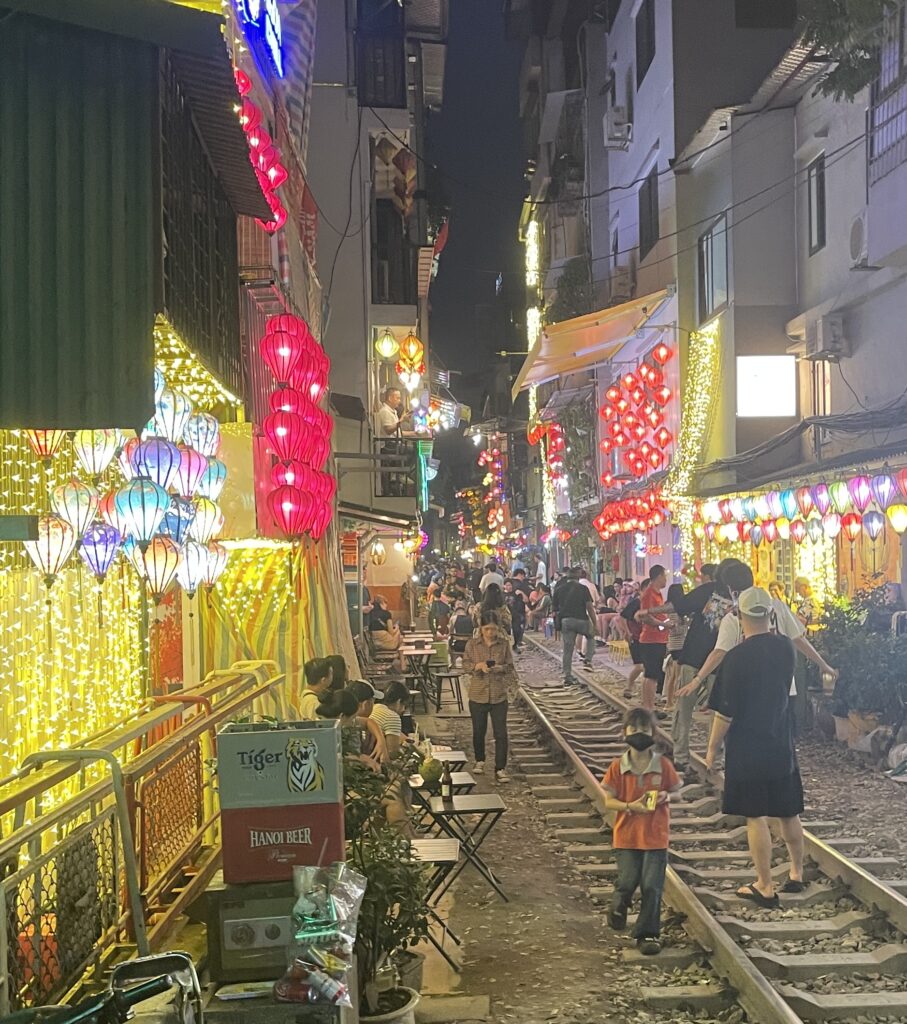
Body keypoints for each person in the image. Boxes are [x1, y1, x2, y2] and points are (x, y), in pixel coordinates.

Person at [705, 588, 806, 908]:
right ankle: (796, 874)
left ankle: (764, 885)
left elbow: (725, 713)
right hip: (781, 741)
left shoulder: (736, 658)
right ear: (770, 615)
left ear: (739, 615)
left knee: (756, 816)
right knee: (788, 811)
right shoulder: (786, 649)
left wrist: (711, 750)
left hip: (747, 746)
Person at [680, 560, 837, 738]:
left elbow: (719, 652)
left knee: (749, 739)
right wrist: (823, 665)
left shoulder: (732, 616)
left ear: (731, 589)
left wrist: (697, 679)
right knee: (781, 737)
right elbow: (798, 640)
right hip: (782, 687)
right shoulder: (778, 606)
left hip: (748, 688)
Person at [601, 708, 683, 955]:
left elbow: (678, 791)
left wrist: (667, 795)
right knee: (627, 880)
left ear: (653, 733)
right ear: (625, 732)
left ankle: (648, 933)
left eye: (644, 730)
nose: (639, 734)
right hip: (626, 836)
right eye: (634, 729)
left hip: (656, 837)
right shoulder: (618, 767)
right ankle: (618, 905)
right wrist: (630, 806)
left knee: (652, 885)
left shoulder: (663, 766)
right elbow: (608, 800)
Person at [645, 563, 723, 772]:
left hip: (694, 658)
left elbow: (678, 606)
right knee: (718, 711)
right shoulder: (738, 596)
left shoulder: (708, 589)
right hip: (720, 661)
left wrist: (648, 611)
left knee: (684, 709)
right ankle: (713, 758)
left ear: (709, 576)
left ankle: (680, 756)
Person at [462, 613, 515, 782]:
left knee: (501, 732)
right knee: (479, 730)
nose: (490, 632)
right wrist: (478, 666)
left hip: (499, 694)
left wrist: (499, 668)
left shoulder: (504, 645)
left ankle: (500, 768)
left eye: (493, 629)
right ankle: (480, 760)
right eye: (487, 629)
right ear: (481, 629)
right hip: (478, 693)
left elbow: (510, 666)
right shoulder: (472, 644)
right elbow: (465, 664)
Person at [553, 566, 596, 684]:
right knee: (591, 636)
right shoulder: (583, 589)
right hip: (582, 620)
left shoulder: (559, 589)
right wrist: (595, 623)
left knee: (568, 650)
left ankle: (567, 675)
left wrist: (557, 628)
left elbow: (554, 611)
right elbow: (590, 608)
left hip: (566, 621)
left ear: (567, 577)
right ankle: (588, 659)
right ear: (578, 577)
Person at [636, 565, 669, 712]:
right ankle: (649, 707)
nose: (666, 579)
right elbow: (646, 617)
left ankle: (648, 705)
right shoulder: (649, 594)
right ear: (659, 576)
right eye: (664, 576)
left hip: (657, 638)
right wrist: (663, 624)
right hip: (651, 639)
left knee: (650, 674)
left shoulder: (658, 594)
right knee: (652, 675)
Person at [663, 583, 688, 708]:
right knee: (677, 675)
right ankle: (674, 701)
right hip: (678, 644)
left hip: (675, 644)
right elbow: (674, 628)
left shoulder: (669, 607)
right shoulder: (674, 610)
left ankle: (670, 700)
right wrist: (686, 623)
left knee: (674, 674)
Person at [369, 679, 410, 756]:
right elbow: (392, 753)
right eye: (404, 705)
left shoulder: (375, 707)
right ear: (398, 701)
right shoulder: (392, 716)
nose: (404, 709)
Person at [504, 578, 526, 652]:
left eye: (510, 585)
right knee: (506, 632)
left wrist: (521, 593)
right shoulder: (502, 594)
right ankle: (507, 647)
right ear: (504, 586)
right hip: (505, 615)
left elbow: (526, 600)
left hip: (515, 614)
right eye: (507, 585)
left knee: (517, 630)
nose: (509, 587)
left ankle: (515, 645)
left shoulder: (516, 593)